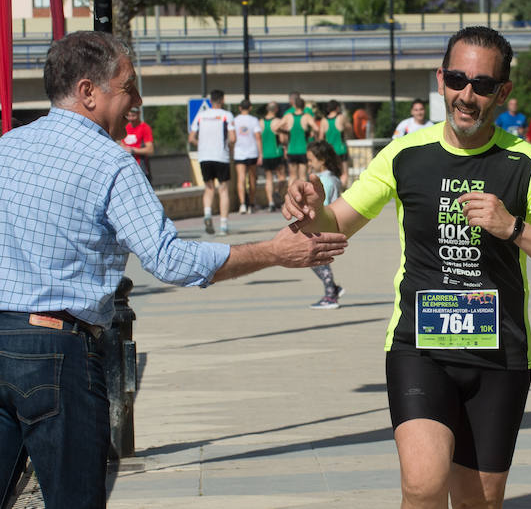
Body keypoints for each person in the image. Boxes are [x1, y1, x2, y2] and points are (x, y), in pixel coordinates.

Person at [0, 31, 348, 509]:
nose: (138, 101)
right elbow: (170, 260)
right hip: (58, 354)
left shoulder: (9, 148)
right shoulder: (111, 163)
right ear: (87, 91)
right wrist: (273, 251)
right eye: (128, 87)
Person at [281, 26, 531, 508]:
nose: (466, 95)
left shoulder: (526, 163)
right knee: (424, 486)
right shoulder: (407, 154)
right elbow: (335, 224)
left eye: (483, 85)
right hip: (419, 348)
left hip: (498, 357)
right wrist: (310, 208)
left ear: (503, 91)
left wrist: (513, 227)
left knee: (480, 502)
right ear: (440, 79)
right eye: (456, 79)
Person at [305, 140, 346, 309]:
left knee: (315, 259)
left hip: (323, 226)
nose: (309, 164)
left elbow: (323, 205)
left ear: (321, 160)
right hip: (329, 225)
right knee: (316, 259)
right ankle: (333, 289)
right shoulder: (332, 178)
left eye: (311, 160)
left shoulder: (325, 181)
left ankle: (331, 295)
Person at [189, 89, 235, 236]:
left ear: (210, 100)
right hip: (221, 156)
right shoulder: (227, 115)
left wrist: (201, 144)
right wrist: (230, 150)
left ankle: (207, 214)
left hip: (204, 156)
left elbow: (191, 138)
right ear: (222, 100)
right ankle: (223, 226)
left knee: (208, 188)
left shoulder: (201, 116)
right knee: (223, 190)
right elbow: (233, 138)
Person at [233, 98, 262, 214]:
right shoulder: (254, 120)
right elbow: (258, 137)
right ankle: (251, 203)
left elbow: (232, 137)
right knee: (252, 179)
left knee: (240, 179)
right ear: (250, 108)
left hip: (239, 153)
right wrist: (261, 154)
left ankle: (242, 204)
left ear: (240, 108)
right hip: (252, 152)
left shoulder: (235, 120)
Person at [278, 95, 315, 183]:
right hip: (303, 150)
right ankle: (303, 196)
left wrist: (285, 131)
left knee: (292, 176)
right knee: (303, 177)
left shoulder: (288, 116)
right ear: (304, 105)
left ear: (294, 105)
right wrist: (311, 133)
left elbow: (276, 127)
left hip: (291, 150)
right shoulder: (307, 116)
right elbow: (316, 128)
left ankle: (290, 196)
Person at [317, 99, 350, 188]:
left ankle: (335, 192)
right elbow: (349, 128)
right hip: (341, 149)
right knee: (344, 173)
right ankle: (341, 192)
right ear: (337, 108)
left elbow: (321, 138)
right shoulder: (341, 117)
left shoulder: (324, 120)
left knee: (332, 173)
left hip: (329, 151)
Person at [261, 101, 286, 212]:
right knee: (282, 177)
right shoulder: (278, 122)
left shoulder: (260, 122)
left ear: (267, 109)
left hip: (265, 154)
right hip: (277, 153)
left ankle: (270, 202)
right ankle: (277, 192)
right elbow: (282, 140)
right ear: (276, 110)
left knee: (268, 179)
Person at [119, 107, 154, 182]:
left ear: (139, 114)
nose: (131, 118)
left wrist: (133, 150)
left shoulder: (145, 128)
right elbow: (122, 144)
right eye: (128, 116)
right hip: (127, 169)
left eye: (133, 116)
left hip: (141, 169)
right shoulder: (126, 127)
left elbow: (150, 150)